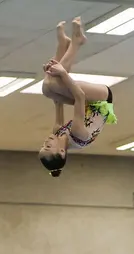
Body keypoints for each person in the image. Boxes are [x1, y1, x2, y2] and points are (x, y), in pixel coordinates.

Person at [38, 18, 117, 177]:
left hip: (86, 102)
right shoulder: (78, 135)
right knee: (54, 82)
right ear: (61, 152)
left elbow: (58, 102)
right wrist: (62, 73)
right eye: (48, 147)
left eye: (43, 146)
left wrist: (49, 73)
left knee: (47, 89)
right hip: (101, 100)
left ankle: (63, 44)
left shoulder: (58, 132)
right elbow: (79, 96)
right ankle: (75, 43)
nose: (46, 142)